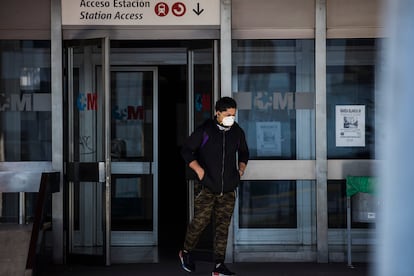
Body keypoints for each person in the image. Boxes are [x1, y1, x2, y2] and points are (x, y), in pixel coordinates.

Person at [178, 96, 249, 276]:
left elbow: (244, 152)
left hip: (228, 189)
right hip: (207, 187)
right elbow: (186, 150)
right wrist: (199, 171)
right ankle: (185, 252)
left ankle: (218, 266)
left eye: (233, 115)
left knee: (222, 227)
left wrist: (241, 170)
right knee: (200, 223)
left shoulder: (237, 131)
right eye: (227, 114)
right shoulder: (205, 131)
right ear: (217, 113)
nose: (231, 118)